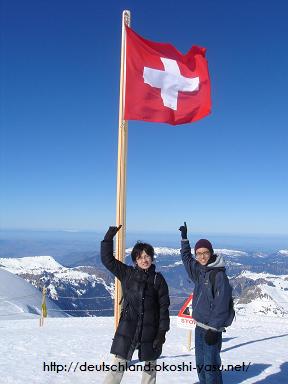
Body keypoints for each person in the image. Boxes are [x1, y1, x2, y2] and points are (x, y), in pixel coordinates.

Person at [101, 225, 170, 384]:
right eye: (140, 257)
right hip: (129, 327)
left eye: (147, 256)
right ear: (135, 260)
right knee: (118, 365)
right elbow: (107, 260)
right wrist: (107, 239)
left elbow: (163, 309)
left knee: (150, 368)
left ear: (152, 258)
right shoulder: (127, 274)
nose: (144, 260)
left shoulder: (158, 280)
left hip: (151, 330)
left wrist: (162, 333)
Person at [179, 222, 232, 384]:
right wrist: (184, 239)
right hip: (199, 326)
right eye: (199, 253)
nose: (202, 256)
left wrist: (214, 329)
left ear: (211, 253)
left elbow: (222, 305)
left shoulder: (218, 275)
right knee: (201, 365)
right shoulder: (199, 272)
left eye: (205, 252)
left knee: (211, 368)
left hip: (212, 330)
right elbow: (186, 259)